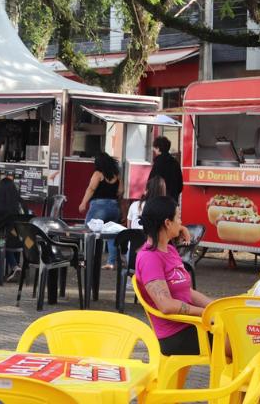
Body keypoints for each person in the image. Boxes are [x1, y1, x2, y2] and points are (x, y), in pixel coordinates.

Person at [136, 195, 213, 355]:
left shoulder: (169, 250)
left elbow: (187, 292)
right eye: (178, 217)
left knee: (241, 330)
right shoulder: (150, 257)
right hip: (175, 335)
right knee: (240, 340)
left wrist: (217, 307)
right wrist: (205, 313)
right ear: (167, 223)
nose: (181, 222)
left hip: (190, 325)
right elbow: (166, 305)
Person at [78, 151, 121, 270]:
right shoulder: (116, 175)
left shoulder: (98, 174)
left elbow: (91, 189)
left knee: (88, 231)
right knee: (112, 236)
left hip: (99, 206)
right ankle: (111, 263)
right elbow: (120, 192)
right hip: (114, 207)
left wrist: (83, 203)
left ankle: (86, 260)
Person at [149, 136, 183, 202]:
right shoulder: (175, 163)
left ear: (158, 148)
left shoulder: (158, 163)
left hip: (159, 201)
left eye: (155, 148)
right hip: (173, 201)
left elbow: (151, 183)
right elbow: (180, 186)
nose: (154, 150)